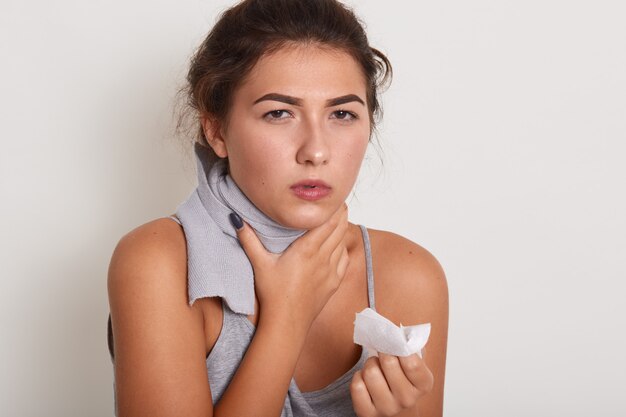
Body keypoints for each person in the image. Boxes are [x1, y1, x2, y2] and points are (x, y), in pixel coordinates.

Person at [107, 0, 448, 416]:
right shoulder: (161, 264)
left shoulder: (408, 276)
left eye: (342, 113)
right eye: (279, 113)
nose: (316, 151)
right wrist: (287, 317)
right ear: (216, 129)